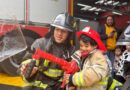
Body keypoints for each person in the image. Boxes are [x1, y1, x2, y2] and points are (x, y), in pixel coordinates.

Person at [19, 13, 77, 90]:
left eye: (63, 31)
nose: (59, 34)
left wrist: (70, 85)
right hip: (35, 86)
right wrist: (28, 71)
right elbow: (24, 65)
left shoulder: (71, 51)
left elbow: (71, 75)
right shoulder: (40, 44)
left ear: (69, 34)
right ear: (53, 29)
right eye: (57, 29)